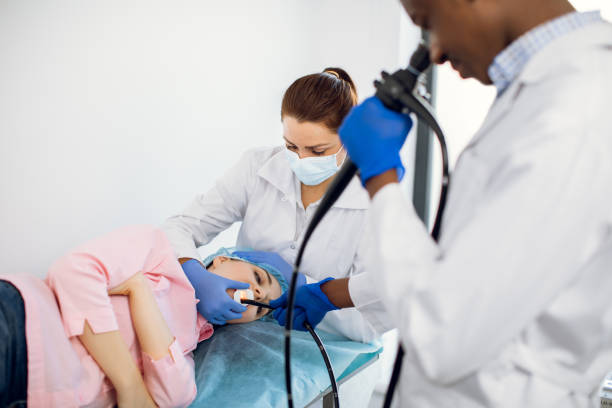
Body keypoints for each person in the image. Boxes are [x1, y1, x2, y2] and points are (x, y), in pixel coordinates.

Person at [273, 0, 612, 406]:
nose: (434, 52)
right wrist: (330, 292)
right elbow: (471, 272)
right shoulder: (546, 93)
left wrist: (380, 179)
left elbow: (446, 332)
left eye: (428, 22)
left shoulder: (576, 110)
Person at [163, 67, 380, 342]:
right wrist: (194, 272)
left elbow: (373, 319)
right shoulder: (258, 167)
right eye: (291, 146)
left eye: (317, 151)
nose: (301, 159)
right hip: (246, 339)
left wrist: (311, 290)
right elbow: (179, 227)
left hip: (328, 351)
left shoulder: (373, 202)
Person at [0, 225, 290, 408]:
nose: (255, 294)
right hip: (22, 328)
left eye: (261, 306)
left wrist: (140, 294)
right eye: (258, 278)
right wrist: (130, 384)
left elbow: (173, 398)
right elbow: (74, 271)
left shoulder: (189, 345)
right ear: (223, 259)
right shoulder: (157, 252)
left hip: (38, 396)